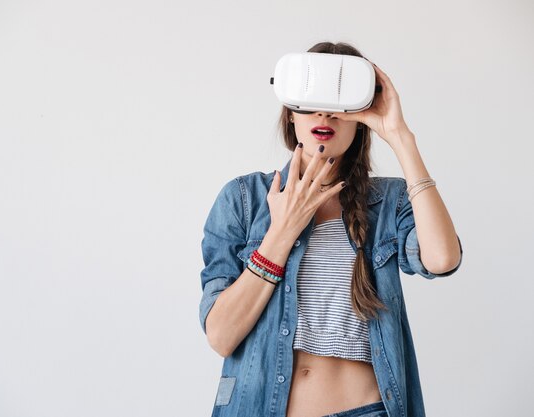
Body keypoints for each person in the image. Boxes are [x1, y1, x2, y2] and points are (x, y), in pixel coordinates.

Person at [198, 42, 463, 417]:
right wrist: (282, 232)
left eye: (341, 104)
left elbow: (442, 258)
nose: (325, 112)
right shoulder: (243, 200)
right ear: (291, 112)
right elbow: (221, 336)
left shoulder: (388, 202)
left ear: (361, 117)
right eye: (311, 100)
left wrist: (400, 136)